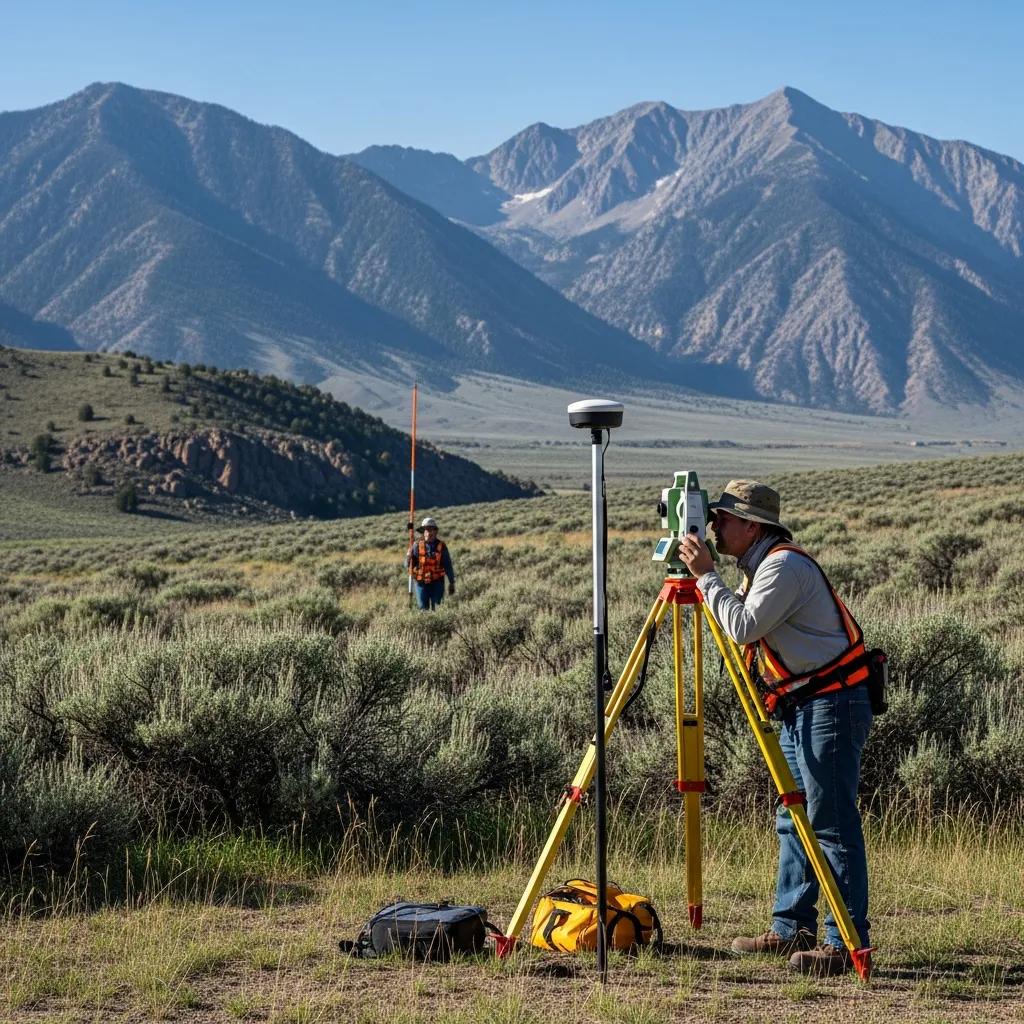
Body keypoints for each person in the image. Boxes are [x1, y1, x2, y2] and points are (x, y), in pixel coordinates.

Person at [677, 480, 872, 977]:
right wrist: (711, 579)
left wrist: (705, 578)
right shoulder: (757, 566)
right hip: (799, 706)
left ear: (752, 525)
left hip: (830, 704)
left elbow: (743, 627)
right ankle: (792, 929)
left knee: (830, 825)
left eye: (724, 518)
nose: (714, 525)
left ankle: (843, 944)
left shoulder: (783, 566)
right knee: (794, 820)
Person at [406, 516, 456, 611]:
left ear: (435, 531)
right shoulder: (416, 545)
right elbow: (408, 565)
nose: (429, 532)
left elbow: (448, 565)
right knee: (423, 609)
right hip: (421, 583)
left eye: (431, 529)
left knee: (437, 608)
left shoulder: (442, 546)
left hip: (437, 583)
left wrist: (452, 582)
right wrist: (408, 557)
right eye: (426, 529)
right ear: (423, 532)